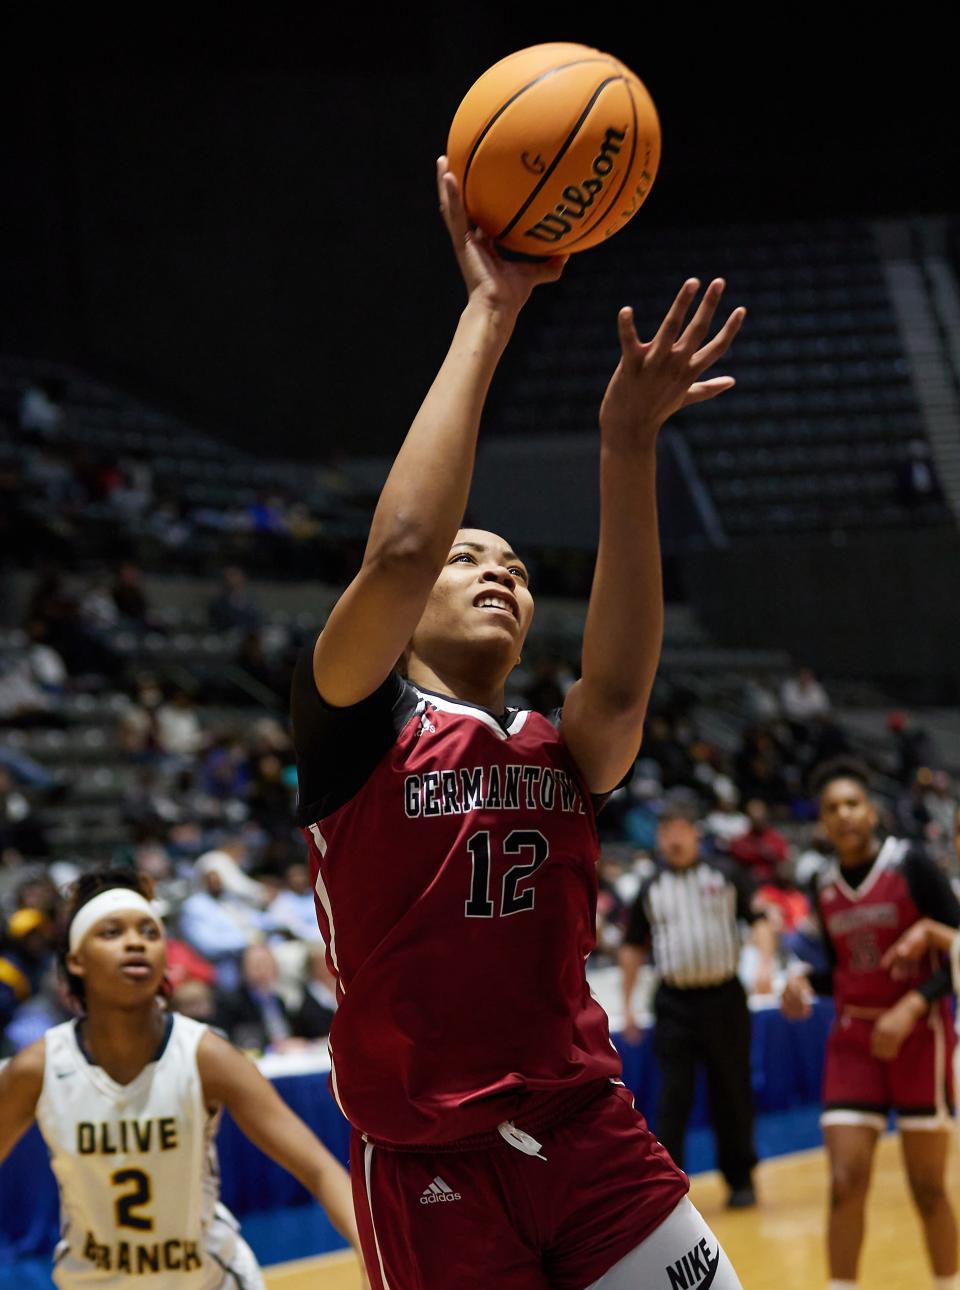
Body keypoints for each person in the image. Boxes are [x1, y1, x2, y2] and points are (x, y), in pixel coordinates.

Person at [290, 156, 747, 1289]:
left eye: (517, 566)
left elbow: (624, 690)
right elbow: (397, 550)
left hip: (588, 1134)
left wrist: (628, 447)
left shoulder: (563, 747)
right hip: (431, 1164)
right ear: (401, 615)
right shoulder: (353, 720)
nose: (497, 571)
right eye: (468, 557)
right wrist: (491, 309)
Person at [0, 869, 364, 1289]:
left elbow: (320, 1170)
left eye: (149, 931)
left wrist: (371, 1255)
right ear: (76, 960)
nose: (135, 941)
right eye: (112, 932)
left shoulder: (204, 1055)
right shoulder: (38, 1067)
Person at [780, 758, 960, 1290]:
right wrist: (807, 984)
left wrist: (913, 1005)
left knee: (927, 1188)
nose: (844, 815)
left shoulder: (911, 866)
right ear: (822, 822)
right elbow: (845, 972)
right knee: (844, 1180)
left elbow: (956, 952)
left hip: (918, 1036)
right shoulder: (822, 882)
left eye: (852, 803)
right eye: (832, 808)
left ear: (872, 810)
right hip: (854, 1040)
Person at [619, 799, 776, 1209]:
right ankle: (670, 1189)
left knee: (732, 1091)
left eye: (679, 830)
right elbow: (633, 946)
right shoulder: (651, 887)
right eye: (664, 831)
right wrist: (628, 1004)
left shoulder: (725, 874)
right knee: (673, 1096)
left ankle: (741, 1179)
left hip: (723, 998)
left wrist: (764, 964)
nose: (672, 839)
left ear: (694, 833)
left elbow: (759, 921)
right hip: (674, 1004)